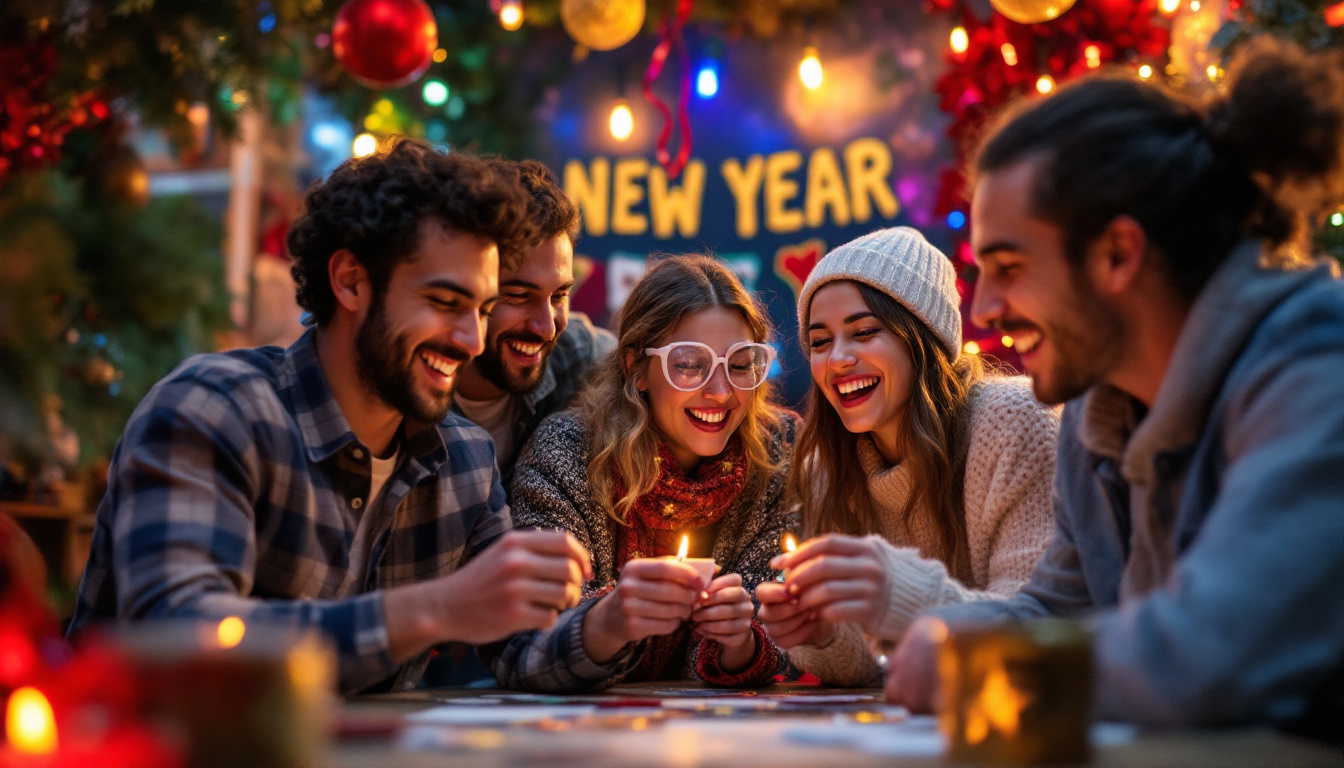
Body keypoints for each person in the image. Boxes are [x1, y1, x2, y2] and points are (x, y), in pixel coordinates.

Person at [885, 39, 1344, 743]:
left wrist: (979, 663)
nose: (983, 311)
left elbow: (1210, 656)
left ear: (1118, 254)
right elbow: (1062, 612)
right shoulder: (1095, 413)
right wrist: (942, 627)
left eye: (1007, 266)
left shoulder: (1316, 370)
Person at [68, 139, 592, 693]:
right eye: (444, 302)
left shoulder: (465, 459)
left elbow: (525, 646)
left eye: (483, 310)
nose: (470, 339)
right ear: (349, 281)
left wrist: (614, 619)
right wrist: (434, 608)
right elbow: (180, 638)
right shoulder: (214, 410)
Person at [756, 227, 1059, 686]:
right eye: (819, 342)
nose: (837, 358)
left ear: (921, 339)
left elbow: (1046, 630)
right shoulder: (826, 467)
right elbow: (869, 666)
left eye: (863, 332)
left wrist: (902, 593)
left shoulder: (1015, 421)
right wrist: (823, 636)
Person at [482, 255, 797, 691]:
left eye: (741, 364)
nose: (721, 391)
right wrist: (609, 621)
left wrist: (740, 643)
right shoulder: (570, 452)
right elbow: (522, 647)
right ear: (636, 369)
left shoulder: (778, 455)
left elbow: (794, 633)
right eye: (689, 363)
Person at [452, 159, 615, 485]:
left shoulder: (581, 355)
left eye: (559, 296)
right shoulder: (412, 384)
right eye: (517, 295)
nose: (546, 326)